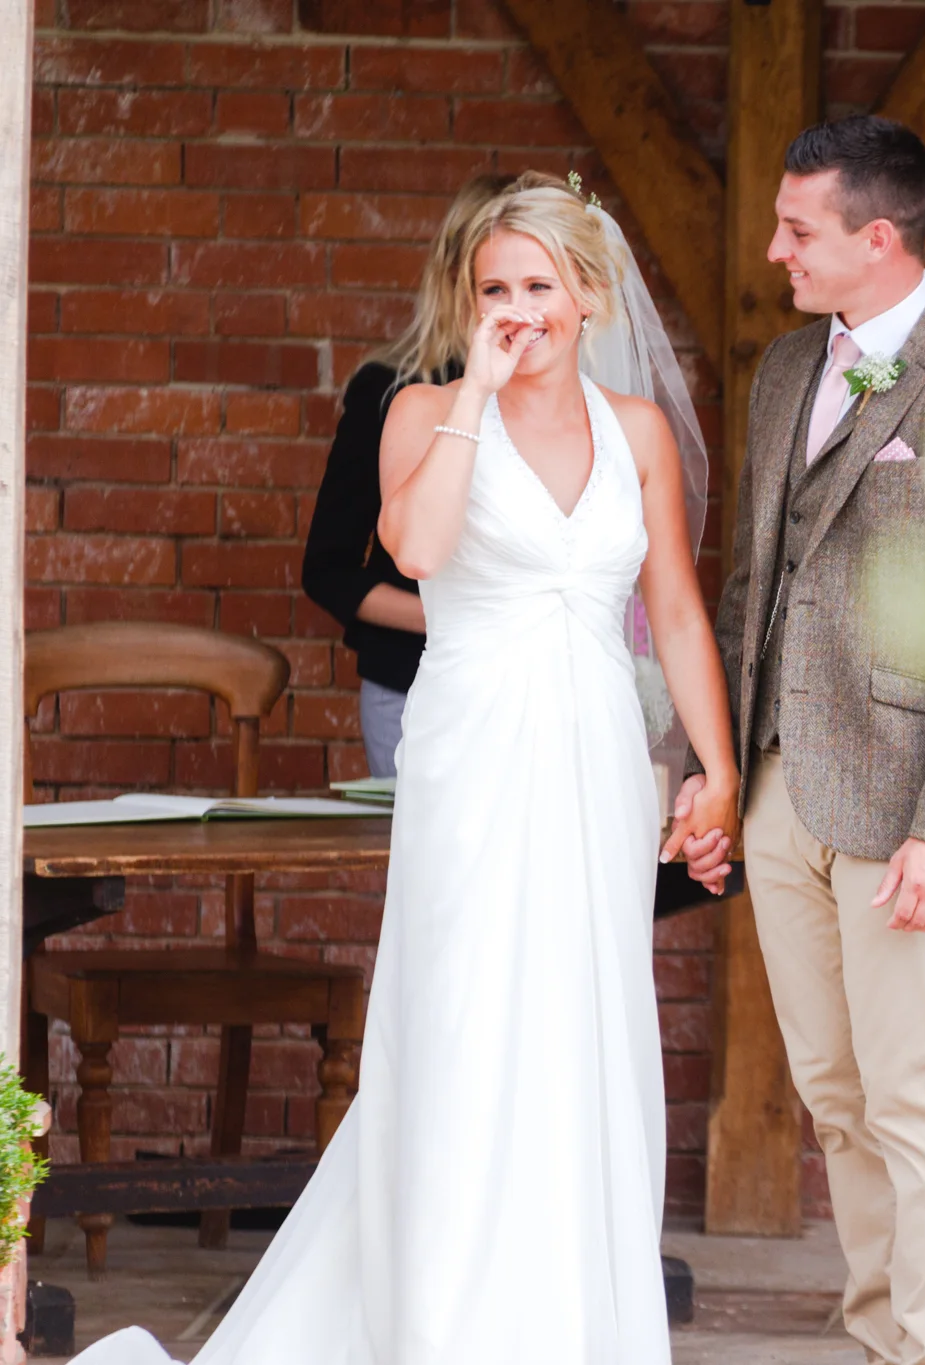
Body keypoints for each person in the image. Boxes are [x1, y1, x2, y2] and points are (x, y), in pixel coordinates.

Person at [71, 176, 740, 1363]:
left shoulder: (635, 432)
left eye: (539, 285)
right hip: (473, 745)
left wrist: (716, 771)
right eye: (494, 289)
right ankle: (442, 1322)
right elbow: (419, 549)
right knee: (463, 1009)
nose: (517, 309)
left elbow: (678, 614)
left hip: (594, 750)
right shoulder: (422, 411)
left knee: (584, 1016)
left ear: (590, 296)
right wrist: (475, 389)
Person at [674, 116, 925, 1365]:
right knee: (834, 1097)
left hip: (902, 808)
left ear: (876, 237)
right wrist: (717, 774)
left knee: (915, 1094)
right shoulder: (787, 369)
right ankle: (883, 1340)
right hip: (782, 793)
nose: (774, 251)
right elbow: (750, 587)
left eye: (797, 230)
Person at [302, 172, 512, 778]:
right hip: (411, 686)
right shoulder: (389, 391)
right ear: (457, 276)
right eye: (495, 281)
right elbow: (329, 571)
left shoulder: (577, 408)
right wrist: (455, 617)